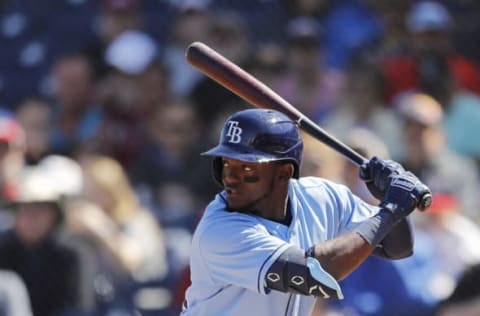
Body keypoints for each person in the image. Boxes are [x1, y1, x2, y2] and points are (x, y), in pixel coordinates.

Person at [180, 108, 431, 316]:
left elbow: (396, 247)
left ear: (284, 172)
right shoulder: (218, 230)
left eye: (246, 168)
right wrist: (390, 209)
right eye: (226, 164)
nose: (230, 178)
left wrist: (390, 198)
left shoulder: (322, 197)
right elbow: (315, 274)